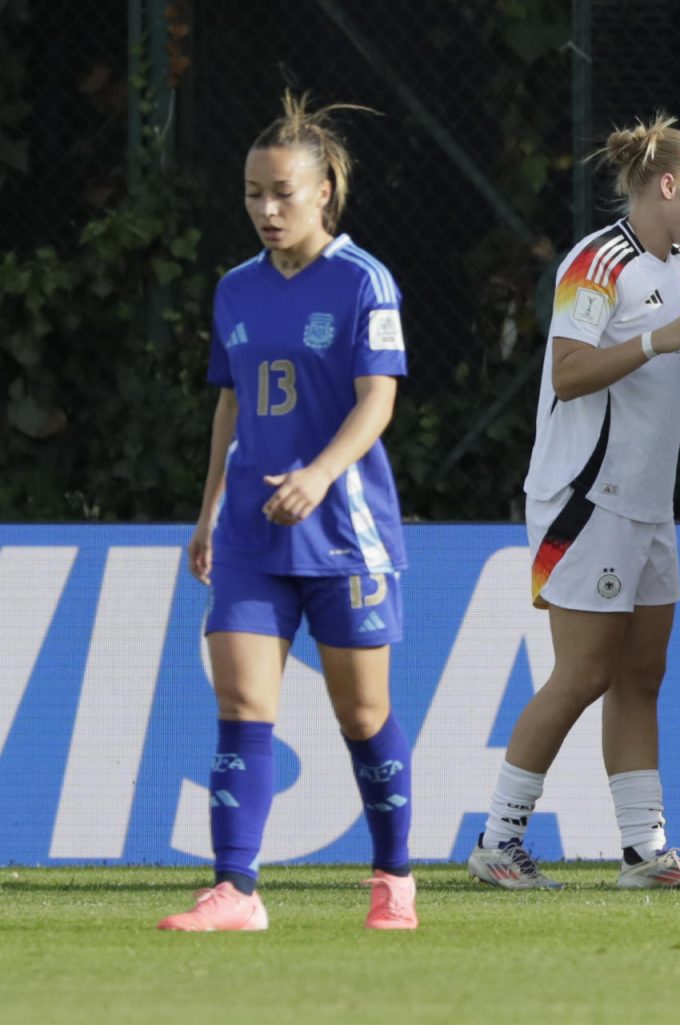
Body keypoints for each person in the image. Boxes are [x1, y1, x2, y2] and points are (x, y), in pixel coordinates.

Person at [159, 91, 417, 931]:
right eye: (253, 193)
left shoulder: (363, 280)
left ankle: (393, 877)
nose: (266, 210)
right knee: (240, 703)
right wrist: (208, 513)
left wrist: (320, 472)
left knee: (363, 715)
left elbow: (377, 401)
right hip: (246, 531)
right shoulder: (235, 290)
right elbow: (228, 408)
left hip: (342, 529)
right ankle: (236, 887)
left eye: (283, 193)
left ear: (324, 194)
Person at [468, 114, 680, 891]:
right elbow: (570, 372)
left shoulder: (679, 266)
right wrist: (656, 340)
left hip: (647, 503)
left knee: (642, 674)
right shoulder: (597, 259)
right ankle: (498, 840)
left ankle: (643, 851)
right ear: (668, 184)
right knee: (581, 674)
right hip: (586, 498)